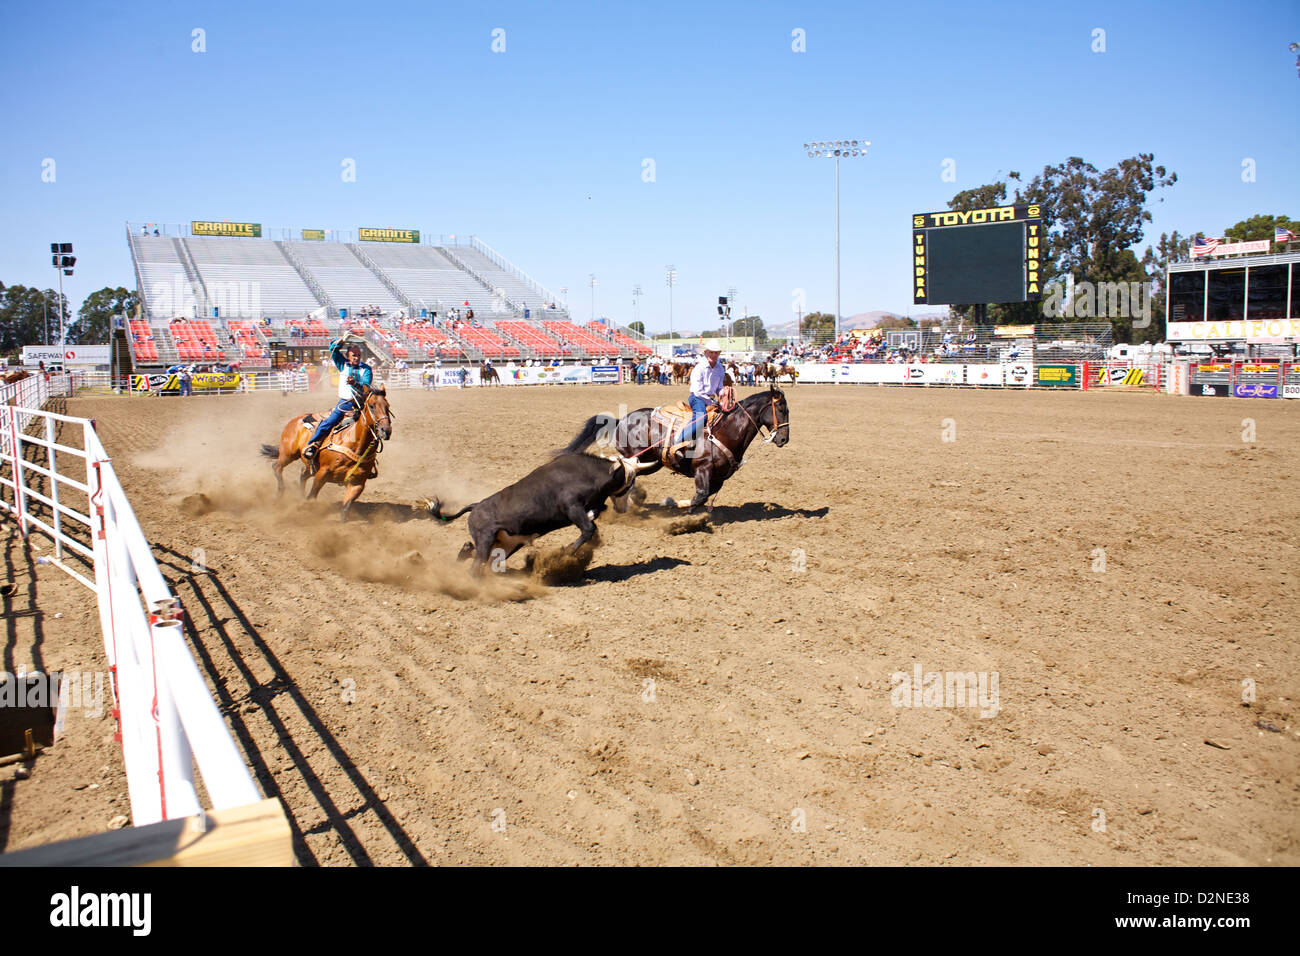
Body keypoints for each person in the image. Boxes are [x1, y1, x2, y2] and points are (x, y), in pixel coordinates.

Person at [303, 335, 373, 465]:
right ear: (348, 356)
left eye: (358, 355)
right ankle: (313, 444)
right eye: (354, 355)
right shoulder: (343, 364)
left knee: (374, 426)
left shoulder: (366, 369)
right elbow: (333, 349)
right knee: (330, 421)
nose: (357, 357)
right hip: (345, 403)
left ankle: (371, 458)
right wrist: (341, 340)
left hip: (361, 404)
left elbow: (366, 386)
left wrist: (355, 383)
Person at [674, 338, 727, 456]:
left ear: (718, 354)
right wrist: (710, 402)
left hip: (711, 399)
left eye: (716, 352)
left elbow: (719, 388)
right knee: (701, 418)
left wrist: (724, 394)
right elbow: (698, 392)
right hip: (697, 398)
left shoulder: (720, 368)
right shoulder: (699, 368)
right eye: (711, 352)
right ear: (706, 353)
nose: (713, 355)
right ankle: (678, 443)